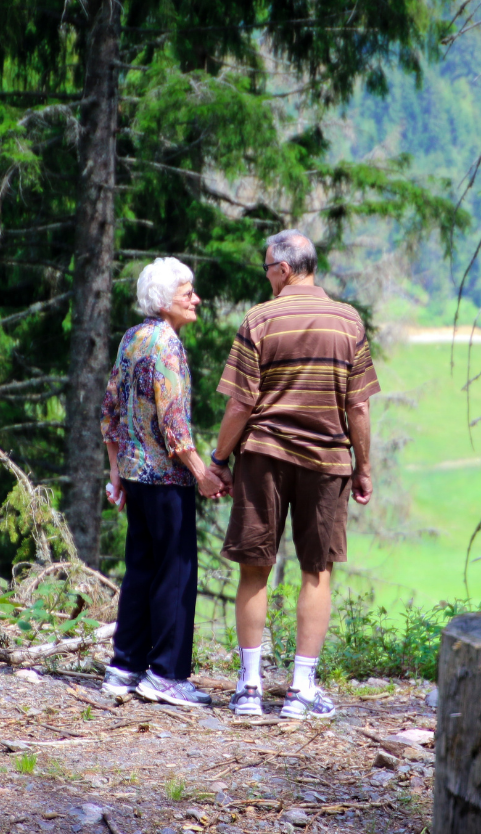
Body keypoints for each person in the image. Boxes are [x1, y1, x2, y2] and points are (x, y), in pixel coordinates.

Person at [210, 230, 378, 718]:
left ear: (283, 269)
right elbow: (359, 405)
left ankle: (249, 688)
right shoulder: (348, 321)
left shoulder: (259, 319)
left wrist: (219, 461)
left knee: (254, 569)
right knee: (317, 570)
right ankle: (302, 691)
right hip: (327, 461)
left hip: (263, 456)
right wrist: (363, 468)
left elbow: (241, 403)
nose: (266, 276)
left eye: (267, 268)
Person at [99, 257, 223, 708]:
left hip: (135, 475)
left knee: (141, 570)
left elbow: (109, 412)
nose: (196, 299)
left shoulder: (132, 338)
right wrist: (202, 474)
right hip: (167, 477)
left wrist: (116, 474)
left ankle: (124, 666)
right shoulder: (167, 345)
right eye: (187, 292)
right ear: (165, 301)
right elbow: (175, 426)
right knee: (175, 573)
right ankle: (167, 674)